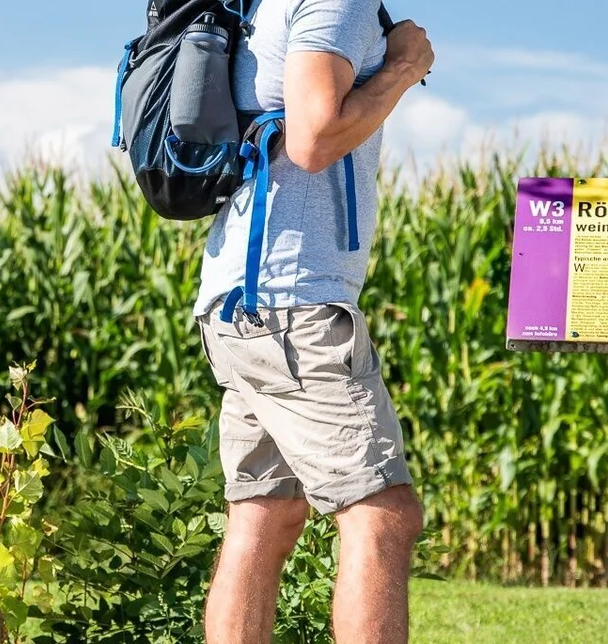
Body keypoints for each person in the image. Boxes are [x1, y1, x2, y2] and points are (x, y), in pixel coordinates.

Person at [193, 1, 434, 642]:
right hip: (294, 304)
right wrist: (403, 68)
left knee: (263, 515)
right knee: (383, 513)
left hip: (242, 299)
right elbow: (313, 138)